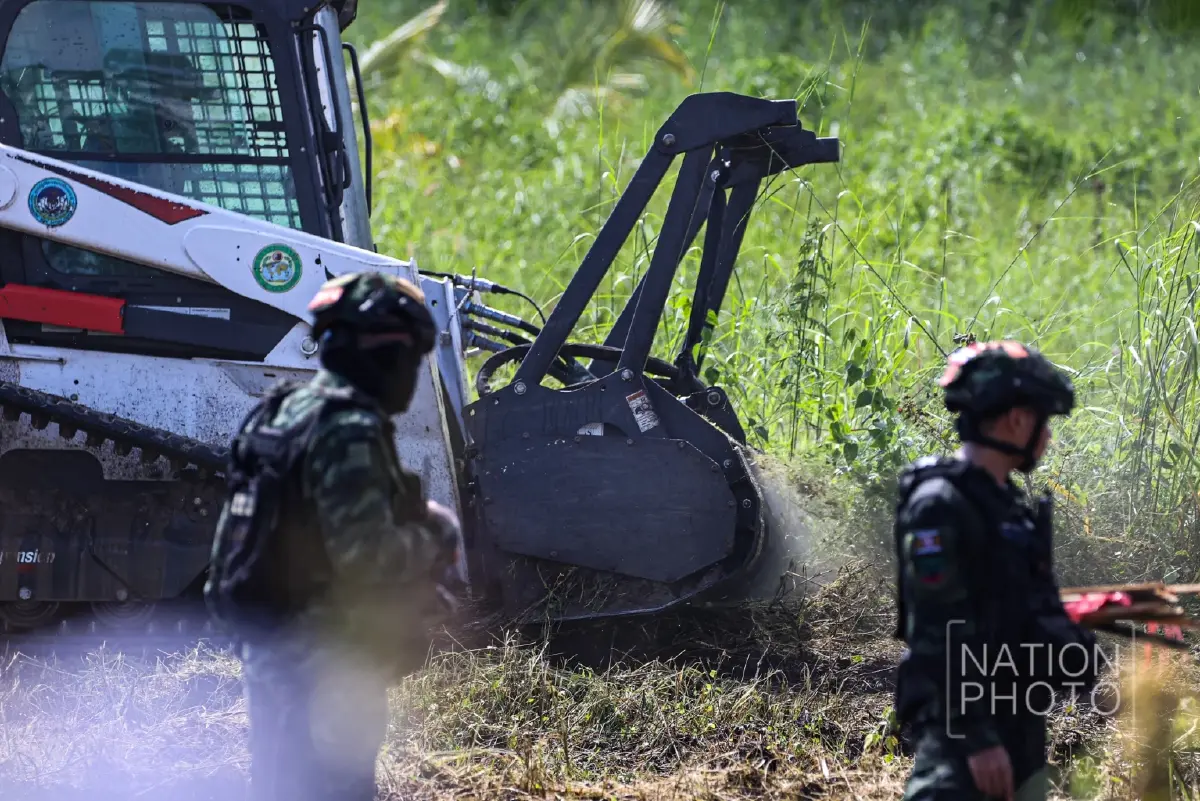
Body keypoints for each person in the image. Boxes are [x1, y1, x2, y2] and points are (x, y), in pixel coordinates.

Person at [204, 271, 465, 801]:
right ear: (387, 357)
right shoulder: (349, 429)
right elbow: (367, 558)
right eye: (412, 360)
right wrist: (436, 534)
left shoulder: (284, 411)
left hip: (269, 647)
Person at [892, 340, 1105, 801]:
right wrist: (977, 740)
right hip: (965, 747)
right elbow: (936, 632)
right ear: (1017, 420)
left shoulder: (1004, 507)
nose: (1047, 437)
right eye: (1044, 421)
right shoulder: (940, 507)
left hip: (1017, 721)